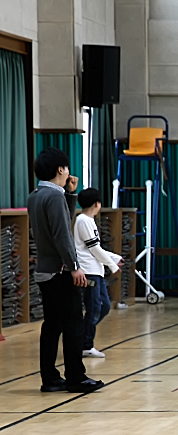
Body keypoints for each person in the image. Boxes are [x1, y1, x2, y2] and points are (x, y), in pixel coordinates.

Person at [26, 148, 103, 394]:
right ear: (61, 169)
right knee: (74, 324)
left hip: (44, 271)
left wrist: (70, 194)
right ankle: (75, 377)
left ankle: (50, 377)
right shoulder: (54, 197)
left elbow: (60, 223)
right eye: (67, 168)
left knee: (52, 326)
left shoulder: (36, 195)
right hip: (60, 271)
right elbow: (62, 236)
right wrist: (74, 267)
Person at [74, 187, 122, 359]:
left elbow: (95, 248)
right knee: (94, 308)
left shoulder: (89, 220)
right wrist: (112, 265)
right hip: (88, 273)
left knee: (104, 306)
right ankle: (85, 345)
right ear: (97, 204)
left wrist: (114, 258)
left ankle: (82, 335)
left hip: (97, 272)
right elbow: (93, 248)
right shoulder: (83, 221)